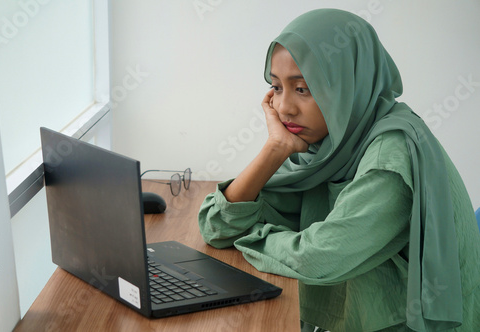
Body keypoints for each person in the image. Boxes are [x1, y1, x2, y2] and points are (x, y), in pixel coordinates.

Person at [198, 8, 480, 332]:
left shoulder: (391, 157)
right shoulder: (330, 148)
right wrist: (274, 150)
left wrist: (247, 236)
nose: (285, 107)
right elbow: (216, 225)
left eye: (303, 88)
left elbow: (318, 259)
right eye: (276, 88)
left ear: (347, 84)